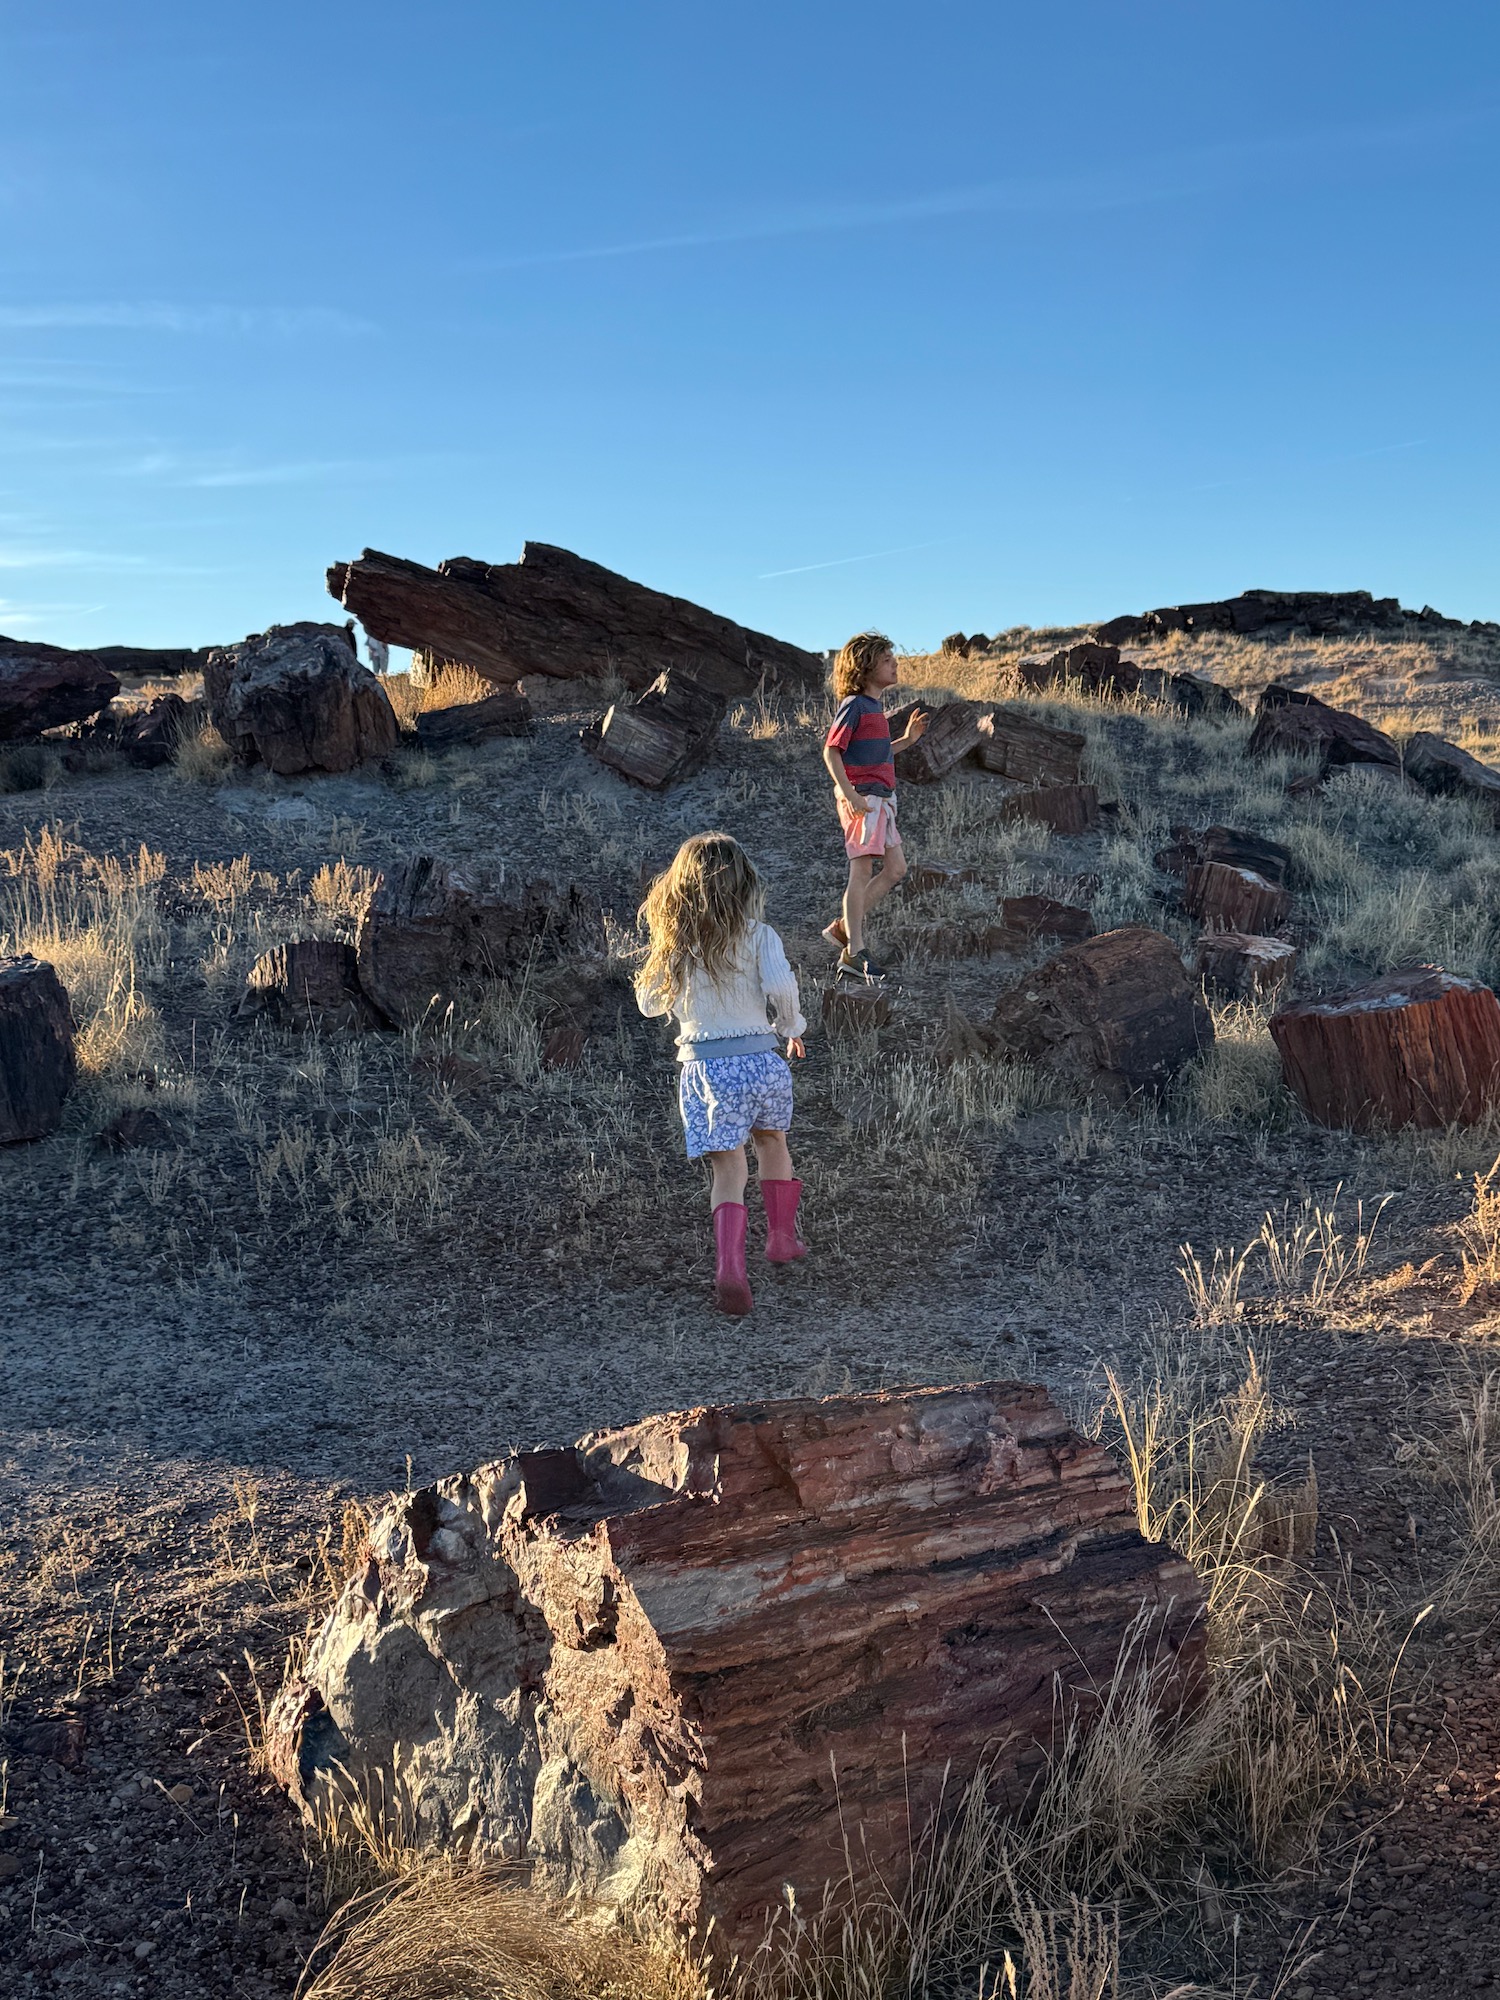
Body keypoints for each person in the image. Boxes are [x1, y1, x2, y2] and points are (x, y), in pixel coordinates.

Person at [636, 832, 807, 1317]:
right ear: (744, 882)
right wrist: (791, 1027)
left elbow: (650, 1006)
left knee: (728, 1168)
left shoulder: (677, 943)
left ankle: (731, 1267)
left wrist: (660, 949)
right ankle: (781, 1239)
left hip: (708, 1070)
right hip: (763, 1062)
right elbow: (779, 986)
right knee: (773, 1142)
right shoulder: (759, 935)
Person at [821, 631, 928, 978]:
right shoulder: (854, 705)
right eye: (886, 659)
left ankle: (843, 928)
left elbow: (879, 754)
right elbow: (831, 750)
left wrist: (907, 741)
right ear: (865, 667)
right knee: (862, 869)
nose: (894, 663)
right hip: (863, 799)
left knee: (895, 869)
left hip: (881, 800)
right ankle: (854, 951)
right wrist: (850, 793)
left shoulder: (874, 709)